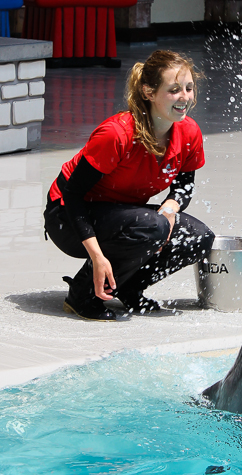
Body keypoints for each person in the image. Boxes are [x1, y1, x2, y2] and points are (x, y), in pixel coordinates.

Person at [44, 50, 215, 321]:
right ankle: (83, 294)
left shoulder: (189, 132)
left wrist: (171, 206)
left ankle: (129, 288)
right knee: (152, 227)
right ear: (148, 92)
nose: (185, 97)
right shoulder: (118, 134)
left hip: (120, 215)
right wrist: (98, 258)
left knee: (199, 237)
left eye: (189, 88)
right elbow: (72, 194)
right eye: (174, 90)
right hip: (67, 217)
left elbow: (184, 184)